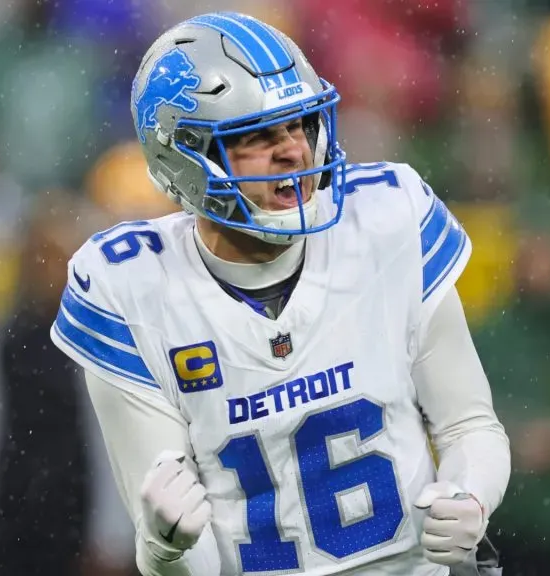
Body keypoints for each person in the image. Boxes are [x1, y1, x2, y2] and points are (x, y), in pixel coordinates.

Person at [50, 11, 510, 576]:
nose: (294, 152)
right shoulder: (129, 288)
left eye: (300, 124)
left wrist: (470, 493)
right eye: (257, 136)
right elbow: (174, 545)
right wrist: (165, 547)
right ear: (186, 158)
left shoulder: (388, 218)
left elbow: (468, 425)